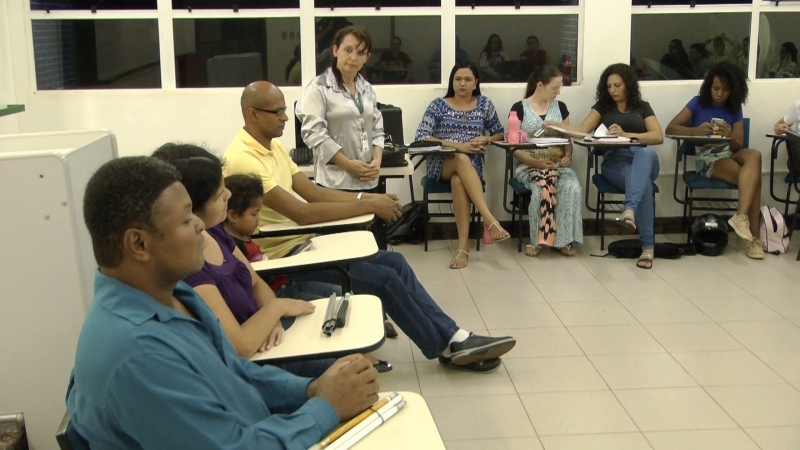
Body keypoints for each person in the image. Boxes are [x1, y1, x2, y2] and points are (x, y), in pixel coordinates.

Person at [67, 155, 381, 448]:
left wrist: (312, 389)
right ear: (139, 244)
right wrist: (327, 406)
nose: (200, 224)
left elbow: (235, 372)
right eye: (186, 219)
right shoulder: (138, 355)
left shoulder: (174, 294)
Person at [223, 80, 516, 373]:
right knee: (384, 280)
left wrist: (366, 198)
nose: (286, 118)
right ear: (253, 114)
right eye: (277, 112)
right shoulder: (243, 160)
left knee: (396, 263)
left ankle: (454, 337)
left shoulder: (272, 146)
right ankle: (448, 347)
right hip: (284, 260)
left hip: (304, 244)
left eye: (285, 110)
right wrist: (369, 205)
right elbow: (301, 213)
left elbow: (313, 193)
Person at [549, 63, 663, 269]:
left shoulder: (642, 107)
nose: (612, 90)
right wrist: (557, 126)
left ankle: (629, 208)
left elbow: (657, 136)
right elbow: (582, 130)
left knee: (645, 152)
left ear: (628, 84)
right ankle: (648, 247)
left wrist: (626, 135)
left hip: (643, 160)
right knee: (644, 184)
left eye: (617, 85)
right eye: (609, 86)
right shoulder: (603, 106)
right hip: (615, 161)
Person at [414, 61, 510, 269]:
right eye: (458, 79)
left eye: (467, 79)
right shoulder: (438, 105)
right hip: (441, 163)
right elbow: (422, 137)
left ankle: (463, 248)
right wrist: (459, 146)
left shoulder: (484, 105)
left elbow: (500, 133)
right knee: (460, 158)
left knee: (459, 181)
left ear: (476, 82)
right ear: (452, 82)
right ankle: (489, 219)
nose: (462, 83)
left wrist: (487, 139)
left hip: (472, 166)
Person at [666, 61, 765, 260]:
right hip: (708, 156)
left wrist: (730, 135)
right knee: (755, 181)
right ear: (709, 86)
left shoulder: (734, 108)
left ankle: (741, 217)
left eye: (725, 90)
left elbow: (738, 147)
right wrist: (697, 131)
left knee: (754, 155)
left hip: (730, 152)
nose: (719, 94)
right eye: (716, 88)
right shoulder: (697, 103)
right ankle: (753, 239)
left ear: (734, 91)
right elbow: (671, 128)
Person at [509, 65, 583, 257]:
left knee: (571, 187)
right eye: (554, 88)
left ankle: (564, 240)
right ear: (540, 85)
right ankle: (537, 241)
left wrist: (568, 156)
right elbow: (513, 147)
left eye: (559, 88)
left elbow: (567, 139)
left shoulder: (561, 108)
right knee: (541, 190)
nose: (558, 93)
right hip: (529, 165)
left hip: (557, 165)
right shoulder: (519, 109)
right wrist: (536, 163)